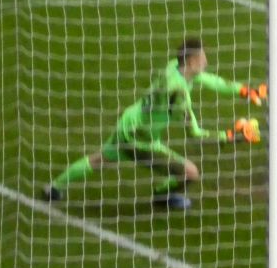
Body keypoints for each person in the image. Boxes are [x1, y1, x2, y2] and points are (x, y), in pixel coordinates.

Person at [43, 37, 265, 211]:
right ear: (191, 62)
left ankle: (54, 187)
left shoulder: (175, 68)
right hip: (140, 141)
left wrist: (244, 90)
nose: (206, 62)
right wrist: (234, 135)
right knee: (191, 173)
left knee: (100, 158)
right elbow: (196, 135)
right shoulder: (178, 95)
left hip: (130, 122)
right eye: (202, 59)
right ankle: (163, 196)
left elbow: (211, 81)